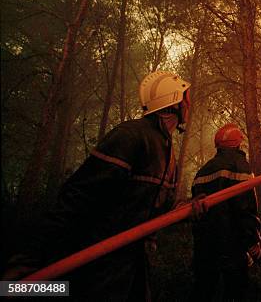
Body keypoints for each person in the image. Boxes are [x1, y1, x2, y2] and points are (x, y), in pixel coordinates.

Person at [3, 71, 191, 301]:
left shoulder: (167, 150)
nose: (189, 104)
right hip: (98, 262)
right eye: (185, 98)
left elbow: (156, 209)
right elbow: (76, 199)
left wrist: (187, 209)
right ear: (172, 101)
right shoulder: (130, 137)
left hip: (131, 268)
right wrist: (30, 259)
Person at [191, 123, 261, 302]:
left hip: (205, 246)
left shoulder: (203, 171)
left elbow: (196, 212)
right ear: (238, 144)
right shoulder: (240, 166)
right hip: (233, 246)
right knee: (235, 293)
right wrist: (253, 242)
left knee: (204, 291)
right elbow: (245, 209)